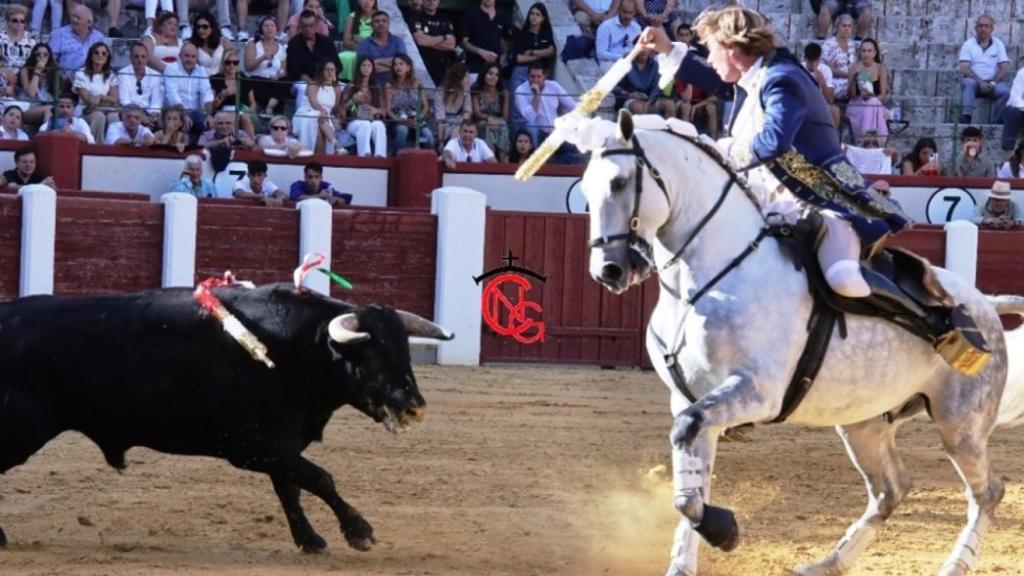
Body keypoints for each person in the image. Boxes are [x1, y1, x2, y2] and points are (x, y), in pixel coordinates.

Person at [642, 6, 908, 302]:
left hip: (817, 198)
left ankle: (915, 324)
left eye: (712, 49)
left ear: (731, 48)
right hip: (765, 198)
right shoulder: (758, 75)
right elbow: (715, 77)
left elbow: (775, 141)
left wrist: (719, 149)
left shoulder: (782, 79)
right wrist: (666, 48)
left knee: (843, 279)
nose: (710, 58)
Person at [958, 14, 1010, 125]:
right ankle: (966, 116)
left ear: (992, 28)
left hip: (993, 83)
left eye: (986, 26)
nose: (983, 29)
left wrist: (993, 83)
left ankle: (997, 122)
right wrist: (980, 82)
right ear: (976, 28)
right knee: (968, 83)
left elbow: (1004, 67)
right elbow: (964, 68)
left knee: (1005, 92)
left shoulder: (998, 44)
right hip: (975, 83)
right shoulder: (968, 44)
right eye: (980, 26)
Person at [513, 61, 576, 149]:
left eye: (539, 77)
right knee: (531, 125)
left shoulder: (553, 86)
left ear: (544, 77)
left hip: (555, 130)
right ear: (527, 77)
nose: (535, 80)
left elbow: (571, 105)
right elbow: (529, 117)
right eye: (532, 76)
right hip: (536, 131)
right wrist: (536, 95)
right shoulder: (521, 91)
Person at [163, 42, 215, 144]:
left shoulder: (201, 70)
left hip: (196, 112)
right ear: (180, 56)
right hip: (176, 111)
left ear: (196, 58)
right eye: (186, 56)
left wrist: (209, 115)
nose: (190, 59)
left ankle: (203, 153)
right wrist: (183, 114)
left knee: (209, 124)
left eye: (193, 56)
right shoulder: (171, 69)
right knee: (181, 123)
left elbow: (207, 93)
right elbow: (172, 95)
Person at [385, 53, 434, 152]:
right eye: (395, 64)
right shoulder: (389, 85)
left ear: (408, 67)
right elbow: (388, 109)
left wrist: (418, 118)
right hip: (399, 120)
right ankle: (397, 156)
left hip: (417, 119)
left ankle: (427, 158)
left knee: (428, 135)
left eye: (401, 64)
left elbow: (425, 106)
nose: (397, 67)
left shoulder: (417, 84)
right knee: (402, 131)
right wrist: (399, 120)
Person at [72, 41, 120, 143]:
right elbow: (87, 100)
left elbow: (114, 98)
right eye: (96, 52)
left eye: (104, 53)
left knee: (113, 116)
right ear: (91, 56)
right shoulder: (81, 73)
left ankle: (113, 147)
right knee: (99, 116)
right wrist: (104, 99)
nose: (100, 55)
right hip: (86, 111)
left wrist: (99, 97)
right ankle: (95, 148)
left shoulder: (110, 75)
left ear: (107, 57)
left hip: (106, 109)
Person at [295, 59, 345, 154]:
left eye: (332, 70)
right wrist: (321, 110)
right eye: (327, 70)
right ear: (321, 71)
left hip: (325, 118)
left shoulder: (337, 88)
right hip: (307, 113)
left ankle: (323, 158)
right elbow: (313, 102)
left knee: (320, 131)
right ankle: (337, 145)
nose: (329, 72)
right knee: (318, 117)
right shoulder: (313, 84)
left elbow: (335, 107)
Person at [342, 56, 387, 157]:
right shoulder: (351, 86)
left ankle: (380, 156)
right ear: (359, 68)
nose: (366, 68)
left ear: (372, 69)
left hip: (372, 120)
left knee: (379, 125)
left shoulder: (376, 87)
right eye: (363, 65)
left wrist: (376, 110)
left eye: (369, 66)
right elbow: (342, 109)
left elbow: (383, 110)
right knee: (365, 124)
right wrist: (353, 100)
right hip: (354, 121)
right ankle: (364, 155)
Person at [243, 17, 289, 116]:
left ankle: (269, 107)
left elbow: (284, 71)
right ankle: (269, 107)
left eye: (272, 26)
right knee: (256, 83)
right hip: (256, 80)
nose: (269, 28)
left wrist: (278, 76)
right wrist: (262, 58)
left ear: (276, 29)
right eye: (266, 26)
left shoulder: (282, 48)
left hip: (273, 81)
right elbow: (248, 66)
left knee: (285, 80)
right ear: (261, 29)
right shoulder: (253, 43)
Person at [209, 48, 257, 140]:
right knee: (229, 117)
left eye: (235, 63)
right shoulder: (215, 79)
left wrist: (250, 111)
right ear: (223, 63)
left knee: (244, 116)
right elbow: (213, 106)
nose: (232, 65)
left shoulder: (245, 79)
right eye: (228, 62)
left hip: (242, 107)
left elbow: (253, 102)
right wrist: (224, 94)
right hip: (223, 109)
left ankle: (252, 143)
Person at [845, 38, 887, 140]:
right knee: (869, 106)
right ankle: (869, 139)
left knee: (873, 103)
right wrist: (854, 81)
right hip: (857, 104)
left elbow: (883, 94)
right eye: (864, 51)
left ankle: (869, 139)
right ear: (860, 52)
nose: (866, 54)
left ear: (874, 53)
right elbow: (850, 95)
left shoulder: (880, 68)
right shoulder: (854, 67)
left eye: (869, 51)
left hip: (874, 103)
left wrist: (872, 99)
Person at [286, 10, 343, 84]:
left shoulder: (326, 42)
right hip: (303, 82)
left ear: (316, 25)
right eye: (304, 26)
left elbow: (337, 65)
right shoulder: (294, 43)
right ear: (300, 26)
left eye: (311, 25)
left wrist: (326, 78)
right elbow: (294, 69)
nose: (308, 29)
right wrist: (311, 82)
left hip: (327, 80)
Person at [508, 2, 555, 91]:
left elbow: (551, 51)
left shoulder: (546, 35)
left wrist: (532, 52)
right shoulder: (522, 35)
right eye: (532, 13)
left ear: (543, 18)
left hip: (540, 74)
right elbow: (519, 58)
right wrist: (540, 56)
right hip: (522, 72)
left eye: (537, 14)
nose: (534, 16)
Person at [48, 5, 108, 75]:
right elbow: (50, 59)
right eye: (73, 16)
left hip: (91, 79)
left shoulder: (98, 37)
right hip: (64, 80)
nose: (74, 20)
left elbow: (106, 59)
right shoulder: (59, 34)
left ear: (89, 22)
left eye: (78, 18)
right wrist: (61, 76)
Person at [409, 0, 455, 85]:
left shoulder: (444, 19)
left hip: (440, 66)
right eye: (428, 0)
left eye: (434, 0)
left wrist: (429, 41)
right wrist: (443, 37)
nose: (431, 2)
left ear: (438, 2)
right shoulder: (416, 17)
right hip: (422, 64)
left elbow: (451, 45)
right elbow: (420, 41)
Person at [462, 0, 513, 77]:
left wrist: (504, 54)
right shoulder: (471, 15)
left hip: (495, 71)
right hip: (474, 68)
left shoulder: (502, 17)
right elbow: (465, 42)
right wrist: (480, 52)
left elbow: (504, 40)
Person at [118, 42, 164, 126]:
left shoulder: (156, 75)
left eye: (143, 56)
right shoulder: (123, 73)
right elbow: (125, 101)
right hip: (130, 112)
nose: (140, 60)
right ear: (130, 58)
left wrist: (152, 116)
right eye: (136, 56)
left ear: (147, 59)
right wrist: (140, 117)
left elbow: (156, 101)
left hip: (150, 113)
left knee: (162, 121)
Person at [471, 64, 510, 162]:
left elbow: (505, 117)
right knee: (487, 126)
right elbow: (477, 113)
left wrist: (496, 121)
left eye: (496, 75)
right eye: (490, 74)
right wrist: (489, 119)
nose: (493, 77)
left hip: (498, 121)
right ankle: (491, 159)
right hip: (481, 121)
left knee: (503, 127)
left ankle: (503, 159)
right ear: (484, 75)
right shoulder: (476, 89)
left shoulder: (503, 92)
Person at [356, 11, 406, 86]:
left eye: (384, 21)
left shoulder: (398, 41)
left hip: (395, 85)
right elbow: (364, 68)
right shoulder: (363, 43)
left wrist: (374, 63)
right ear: (371, 25)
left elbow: (402, 65)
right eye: (377, 21)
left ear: (389, 24)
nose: (381, 23)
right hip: (371, 86)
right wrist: (393, 64)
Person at [612, 42, 663, 115]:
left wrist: (648, 103)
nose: (644, 51)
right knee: (638, 107)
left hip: (649, 100)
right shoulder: (626, 62)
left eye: (647, 48)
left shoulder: (655, 65)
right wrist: (629, 94)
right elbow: (613, 86)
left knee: (669, 105)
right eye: (641, 48)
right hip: (628, 98)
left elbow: (656, 89)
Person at [16, 43, 56, 129]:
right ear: (33, 56)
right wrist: (37, 72)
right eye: (38, 54)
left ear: (49, 57)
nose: (42, 57)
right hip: (28, 108)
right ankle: (45, 133)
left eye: (45, 54)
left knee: (56, 109)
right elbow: (31, 93)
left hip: (47, 107)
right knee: (49, 109)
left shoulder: (53, 73)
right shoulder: (26, 70)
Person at [595, 0, 641, 72]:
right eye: (624, 12)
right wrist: (621, 57)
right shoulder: (606, 26)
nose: (627, 16)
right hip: (610, 62)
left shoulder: (636, 27)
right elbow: (600, 54)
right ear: (619, 10)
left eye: (630, 13)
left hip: (630, 61)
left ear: (634, 13)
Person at [821, 13, 857, 106]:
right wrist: (849, 75)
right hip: (835, 81)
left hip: (850, 79)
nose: (846, 29)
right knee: (858, 86)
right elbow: (829, 70)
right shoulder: (830, 45)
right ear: (837, 27)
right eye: (844, 26)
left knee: (869, 82)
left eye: (849, 26)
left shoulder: (851, 44)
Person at [434, 62, 472, 148]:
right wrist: (440, 141)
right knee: (456, 133)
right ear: (458, 79)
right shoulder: (441, 91)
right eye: (466, 77)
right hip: (444, 123)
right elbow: (440, 118)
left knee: (463, 131)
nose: (468, 80)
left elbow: (468, 109)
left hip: (460, 121)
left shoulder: (466, 90)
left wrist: (463, 125)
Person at [803, 41, 839, 129]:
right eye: (810, 61)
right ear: (805, 58)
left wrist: (822, 82)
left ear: (819, 59)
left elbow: (830, 100)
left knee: (834, 110)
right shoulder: (799, 70)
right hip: (803, 103)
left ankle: (832, 140)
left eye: (816, 60)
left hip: (821, 104)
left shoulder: (826, 70)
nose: (813, 64)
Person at [340, 0, 376, 81]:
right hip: (355, 50)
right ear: (358, 1)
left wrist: (362, 40)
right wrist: (362, 48)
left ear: (374, 2)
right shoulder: (352, 17)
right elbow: (346, 42)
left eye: (370, 0)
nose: (366, 2)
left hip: (374, 51)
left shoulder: (378, 17)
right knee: (343, 57)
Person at [190, 11, 233, 77]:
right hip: (203, 80)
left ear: (212, 28)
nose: (201, 30)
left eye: (205, 27)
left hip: (223, 79)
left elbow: (232, 60)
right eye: (198, 27)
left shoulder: (224, 41)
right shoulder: (194, 45)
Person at [3, 6, 37, 80]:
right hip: (4, 77)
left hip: (25, 79)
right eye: (15, 20)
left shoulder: (31, 40)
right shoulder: (1, 38)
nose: (19, 23)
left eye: (22, 21)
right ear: (8, 22)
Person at [1001, 64, 1024, 152]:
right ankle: (1007, 152)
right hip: (1020, 110)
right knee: (1012, 112)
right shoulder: (1022, 73)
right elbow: (1015, 98)